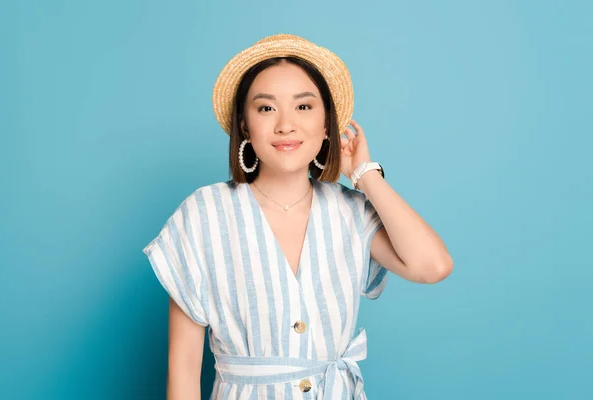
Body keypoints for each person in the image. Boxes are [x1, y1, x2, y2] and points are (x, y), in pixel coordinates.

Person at [143, 33, 453, 399]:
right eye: (266, 108)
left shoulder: (350, 211)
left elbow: (432, 266)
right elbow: (182, 372)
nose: (285, 125)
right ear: (244, 124)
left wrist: (365, 174)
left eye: (304, 107)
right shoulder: (202, 214)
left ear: (327, 126)